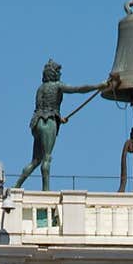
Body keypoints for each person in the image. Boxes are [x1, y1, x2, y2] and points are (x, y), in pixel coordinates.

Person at [14, 62, 117, 191]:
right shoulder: (58, 86)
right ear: (53, 73)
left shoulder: (40, 88)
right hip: (49, 122)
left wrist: (59, 119)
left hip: (37, 123)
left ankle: (16, 186)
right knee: (47, 158)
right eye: (58, 71)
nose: (60, 74)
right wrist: (98, 86)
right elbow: (78, 89)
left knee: (35, 161)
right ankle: (46, 191)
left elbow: (41, 107)